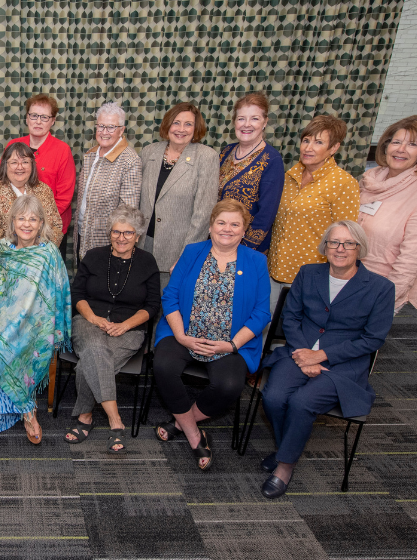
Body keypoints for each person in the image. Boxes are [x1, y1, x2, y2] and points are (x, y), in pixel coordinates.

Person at [260, 221, 394, 498]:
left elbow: (373, 339)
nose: (340, 249)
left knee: (301, 402)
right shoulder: (309, 273)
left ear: (360, 248)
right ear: (325, 247)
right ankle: (289, 446)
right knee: (273, 397)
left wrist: (321, 355)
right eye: (334, 242)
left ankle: (285, 464)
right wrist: (303, 353)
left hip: (343, 363)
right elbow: (291, 317)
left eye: (348, 243)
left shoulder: (381, 288)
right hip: (299, 351)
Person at [151, 199, 270, 471]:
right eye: (221, 222)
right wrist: (181, 336)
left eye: (234, 224)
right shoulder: (193, 252)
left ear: (243, 231)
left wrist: (230, 346)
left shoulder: (256, 262)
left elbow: (262, 313)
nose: (227, 229)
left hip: (229, 342)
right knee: (163, 365)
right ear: (210, 226)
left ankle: (181, 421)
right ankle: (195, 435)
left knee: (229, 386)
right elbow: (169, 297)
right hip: (184, 332)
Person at [64, 205, 159, 453]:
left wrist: (125, 324)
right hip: (87, 322)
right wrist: (94, 319)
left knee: (89, 362)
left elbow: (152, 306)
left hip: (129, 329)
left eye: (128, 233)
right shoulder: (94, 256)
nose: (121, 238)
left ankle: (85, 416)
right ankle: (115, 421)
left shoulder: (147, 262)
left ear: (137, 235)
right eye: (116, 232)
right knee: (96, 349)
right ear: (110, 233)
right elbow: (77, 294)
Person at [0, 195, 71, 442]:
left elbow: (59, 289)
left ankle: (28, 412)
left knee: (28, 346)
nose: (27, 224)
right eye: (21, 218)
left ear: (41, 223)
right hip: (4, 318)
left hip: (37, 323)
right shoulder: (2, 250)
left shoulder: (48, 253)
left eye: (33, 219)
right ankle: (18, 409)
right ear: (13, 222)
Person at [358, 115, 417, 314]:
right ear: (386, 146)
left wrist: (386, 298)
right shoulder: (371, 179)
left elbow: (414, 256)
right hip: (349, 274)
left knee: (357, 342)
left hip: (382, 284)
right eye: (397, 142)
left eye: (412, 145)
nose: (401, 149)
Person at [268, 115, 360, 310]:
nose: (308, 148)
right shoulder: (288, 177)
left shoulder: (343, 183)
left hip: (310, 274)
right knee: (267, 326)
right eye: (306, 140)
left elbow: (345, 236)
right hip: (274, 269)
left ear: (334, 148)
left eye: (318, 142)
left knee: (296, 331)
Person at [138, 102, 220, 289]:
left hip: (176, 250)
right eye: (176, 122)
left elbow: (204, 214)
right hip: (142, 245)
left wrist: (186, 256)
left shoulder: (206, 157)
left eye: (188, 124)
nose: (181, 129)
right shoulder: (149, 152)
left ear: (196, 128)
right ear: (167, 124)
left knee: (168, 306)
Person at [4, 94, 76, 251]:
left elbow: (64, 198)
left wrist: (38, 225)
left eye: (44, 117)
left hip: (49, 231)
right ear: (27, 118)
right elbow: (1, 183)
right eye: (34, 115)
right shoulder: (13, 145)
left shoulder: (62, 150)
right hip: (15, 230)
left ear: (53, 121)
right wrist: (18, 223)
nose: (38, 121)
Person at [218, 93, 285, 253]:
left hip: (247, 248)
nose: (246, 124)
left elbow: (266, 214)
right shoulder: (225, 152)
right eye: (241, 118)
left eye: (254, 118)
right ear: (234, 121)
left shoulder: (272, 160)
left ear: (265, 122)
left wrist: (243, 248)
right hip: (218, 240)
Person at [75, 101, 142, 260]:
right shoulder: (91, 155)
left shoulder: (130, 161)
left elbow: (127, 212)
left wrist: (118, 245)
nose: (105, 132)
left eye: (111, 127)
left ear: (121, 130)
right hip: (82, 235)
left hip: (108, 245)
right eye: (101, 126)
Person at [0, 142, 63, 248]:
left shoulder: (45, 190)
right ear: (5, 165)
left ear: (32, 165)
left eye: (25, 162)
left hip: (43, 258)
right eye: (14, 162)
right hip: (8, 261)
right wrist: (22, 257)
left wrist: (42, 253)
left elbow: (56, 227)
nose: (20, 167)